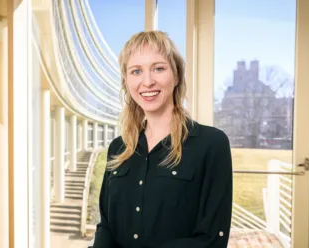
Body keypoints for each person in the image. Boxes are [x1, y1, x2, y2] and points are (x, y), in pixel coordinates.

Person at [89, 31, 233, 248]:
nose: (147, 81)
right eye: (136, 71)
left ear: (176, 76)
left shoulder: (212, 144)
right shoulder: (118, 147)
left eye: (158, 68)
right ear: (127, 81)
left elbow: (211, 238)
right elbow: (107, 225)